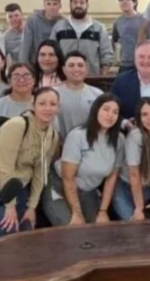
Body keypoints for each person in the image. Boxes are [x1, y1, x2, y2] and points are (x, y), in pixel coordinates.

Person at [0, 87, 59, 238]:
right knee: (10, 238)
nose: (47, 108)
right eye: (42, 103)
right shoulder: (17, 125)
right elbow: (5, 166)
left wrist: (32, 207)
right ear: (33, 104)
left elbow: (40, 172)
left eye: (53, 104)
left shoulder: (52, 135)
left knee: (26, 236)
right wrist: (10, 205)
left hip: (19, 189)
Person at [43, 95, 124, 225]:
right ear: (96, 110)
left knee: (99, 228)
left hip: (88, 191)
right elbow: (68, 178)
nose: (110, 115)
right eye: (106, 109)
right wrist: (77, 213)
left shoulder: (119, 140)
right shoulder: (78, 135)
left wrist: (103, 211)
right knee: (75, 229)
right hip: (61, 187)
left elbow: (112, 178)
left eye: (115, 112)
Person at [112, 98, 150, 220]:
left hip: (146, 185)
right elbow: (134, 174)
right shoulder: (135, 136)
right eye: (145, 114)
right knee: (136, 224)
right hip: (124, 186)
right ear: (138, 117)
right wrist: (139, 207)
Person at [50, 0, 113, 76]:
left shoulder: (99, 28)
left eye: (82, 2)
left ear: (87, 5)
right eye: (75, 2)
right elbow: (52, 52)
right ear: (70, 5)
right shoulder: (59, 27)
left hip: (92, 78)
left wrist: (101, 76)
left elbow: (107, 55)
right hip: (63, 78)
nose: (78, 5)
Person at [55, 51, 104, 139]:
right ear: (64, 69)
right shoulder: (54, 93)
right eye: (71, 65)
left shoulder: (98, 94)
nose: (76, 69)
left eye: (80, 65)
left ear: (86, 69)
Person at [0, 63, 36, 132]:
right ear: (9, 81)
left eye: (26, 76)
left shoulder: (43, 105)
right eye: (16, 76)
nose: (22, 80)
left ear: (34, 80)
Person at [20, 0, 63, 64]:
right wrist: (24, 65)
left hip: (55, 63)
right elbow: (25, 46)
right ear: (44, 5)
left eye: (55, 4)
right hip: (35, 63)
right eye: (48, 4)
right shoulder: (32, 20)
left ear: (60, 6)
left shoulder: (63, 22)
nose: (52, 7)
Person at [112, 0, 142, 74]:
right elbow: (114, 42)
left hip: (142, 62)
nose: (124, 2)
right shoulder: (118, 22)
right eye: (121, 0)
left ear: (134, 2)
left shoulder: (144, 19)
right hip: (125, 64)